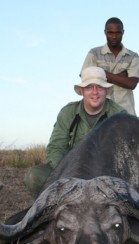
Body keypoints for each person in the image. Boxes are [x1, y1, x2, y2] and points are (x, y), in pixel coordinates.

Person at [24, 66, 127, 196]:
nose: (95, 92)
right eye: (89, 87)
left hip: (106, 176)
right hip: (70, 173)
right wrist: (70, 175)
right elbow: (55, 148)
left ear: (106, 91)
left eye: (100, 87)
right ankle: (48, 211)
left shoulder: (119, 114)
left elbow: (124, 154)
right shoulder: (68, 112)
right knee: (35, 176)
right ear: (82, 91)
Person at [79, 17, 139, 115]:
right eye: (110, 32)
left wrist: (101, 74)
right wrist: (121, 77)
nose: (114, 36)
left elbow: (131, 84)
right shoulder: (94, 53)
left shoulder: (133, 56)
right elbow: (87, 79)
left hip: (126, 113)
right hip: (99, 113)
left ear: (123, 32)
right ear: (105, 32)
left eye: (118, 33)